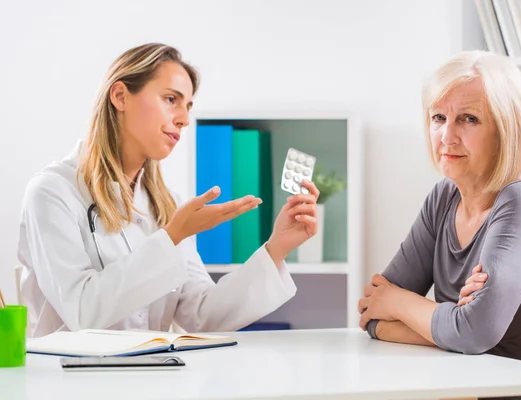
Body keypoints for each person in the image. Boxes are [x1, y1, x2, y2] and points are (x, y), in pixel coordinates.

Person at [18, 43, 320, 338]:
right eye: (170, 99)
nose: (184, 118)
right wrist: (172, 235)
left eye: (187, 106)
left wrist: (276, 247)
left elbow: (203, 315)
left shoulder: (166, 204)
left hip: (154, 381)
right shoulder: (52, 192)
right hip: (70, 384)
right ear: (121, 96)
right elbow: (80, 311)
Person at [358, 51, 521, 399]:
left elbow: (471, 333)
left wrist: (399, 303)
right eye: (439, 117)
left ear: (506, 130)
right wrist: (453, 322)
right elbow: (371, 315)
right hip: (475, 391)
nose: (447, 136)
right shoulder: (443, 199)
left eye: (469, 119)